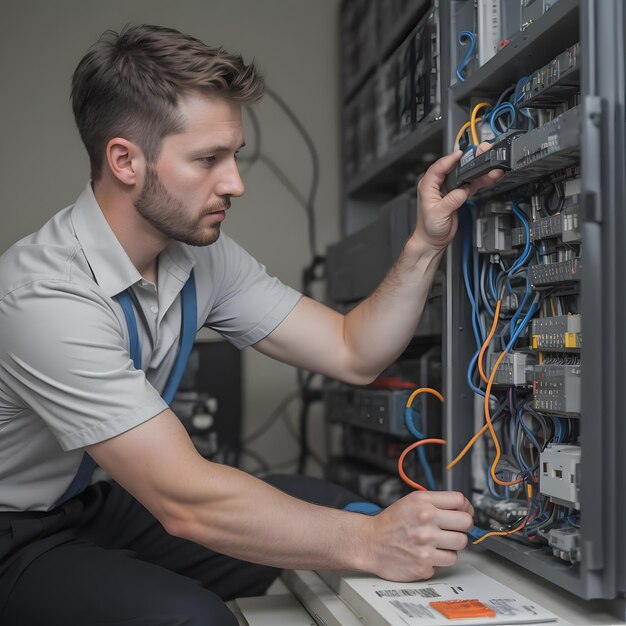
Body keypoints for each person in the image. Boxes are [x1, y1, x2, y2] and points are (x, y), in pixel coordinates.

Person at [0, 24, 502, 626]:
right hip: (14, 534)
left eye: (233, 155)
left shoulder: (199, 255)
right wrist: (369, 544)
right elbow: (186, 501)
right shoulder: (44, 296)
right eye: (208, 159)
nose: (234, 183)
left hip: (91, 504)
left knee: (346, 509)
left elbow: (353, 351)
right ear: (124, 160)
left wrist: (425, 243)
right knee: (197, 618)